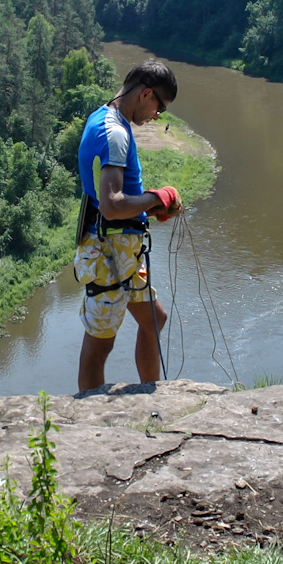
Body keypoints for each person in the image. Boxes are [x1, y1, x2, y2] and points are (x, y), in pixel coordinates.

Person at [74, 58, 183, 391]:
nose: (155, 117)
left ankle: (150, 396)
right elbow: (111, 205)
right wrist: (155, 198)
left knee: (154, 319)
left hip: (121, 250)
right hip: (108, 254)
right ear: (146, 94)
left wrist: (147, 211)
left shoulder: (102, 117)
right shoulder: (116, 134)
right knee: (100, 344)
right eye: (159, 108)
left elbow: (108, 201)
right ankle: (87, 416)